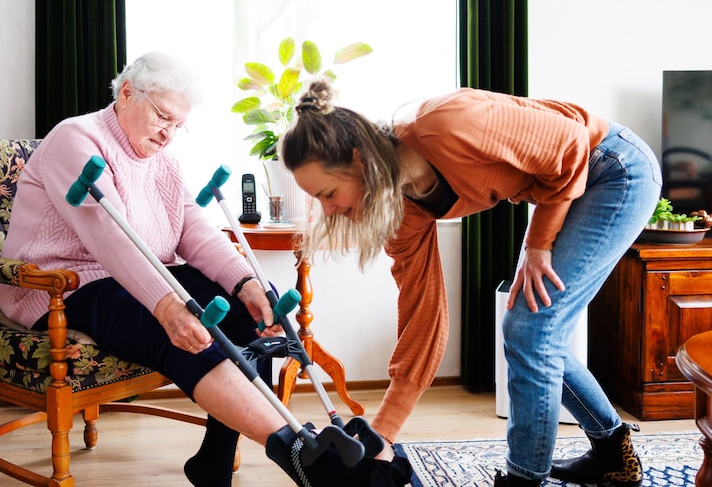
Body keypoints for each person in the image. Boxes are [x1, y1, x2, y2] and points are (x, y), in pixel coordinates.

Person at [0, 52, 410, 487]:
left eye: (179, 125)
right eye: (163, 117)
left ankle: (215, 459)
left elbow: (194, 231)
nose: (169, 134)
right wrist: (167, 306)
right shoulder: (77, 138)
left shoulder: (164, 162)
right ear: (125, 93)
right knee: (172, 328)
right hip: (64, 284)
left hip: (140, 272)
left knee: (252, 307)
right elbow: (108, 236)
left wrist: (247, 283)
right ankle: (299, 458)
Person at [280, 80, 662, 486]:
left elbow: (570, 149)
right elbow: (423, 320)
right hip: (567, 189)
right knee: (533, 332)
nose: (329, 209)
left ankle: (525, 479)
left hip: (614, 169)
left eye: (329, 193)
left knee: (531, 330)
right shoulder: (402, 213)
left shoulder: (442, 124)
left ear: (359, 160)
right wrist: (382, 434)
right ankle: (611, 454)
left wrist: (538, 244)